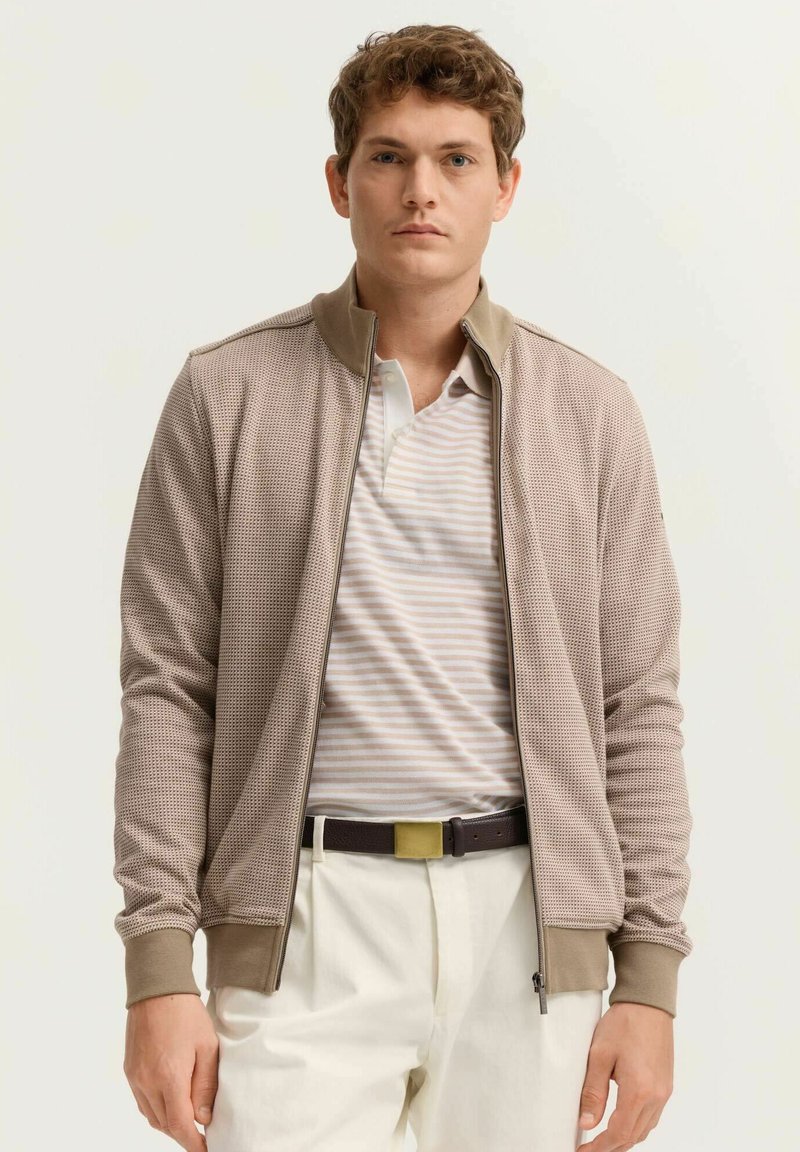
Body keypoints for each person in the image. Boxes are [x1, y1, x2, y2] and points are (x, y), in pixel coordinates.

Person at [114, 23, 693, 1152]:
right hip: (302, 919)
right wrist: (159, 968)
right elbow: (167, 690)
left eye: (455, 159)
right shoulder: (228, 395)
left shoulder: (588, 412)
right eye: (388, 157)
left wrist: (648, 978)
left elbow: (638, 705)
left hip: (528, 928)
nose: (420, 189)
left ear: (504, 187)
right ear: (340, 183)